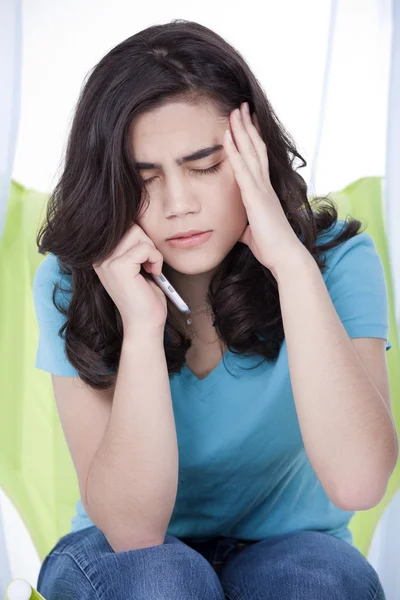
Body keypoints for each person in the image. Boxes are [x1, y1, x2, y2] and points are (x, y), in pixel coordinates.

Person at [32, 18, 397, 600]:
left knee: (320, 582)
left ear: (257, 157)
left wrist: (293, 268)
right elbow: (132, 531)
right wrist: (143, 326)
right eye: (143, 179)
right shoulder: (72, 281)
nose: (179, 205)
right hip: (126, 556)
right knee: (162, 580)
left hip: (291, 552)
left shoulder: (338, 263)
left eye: (205, 166)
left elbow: (358, 482)